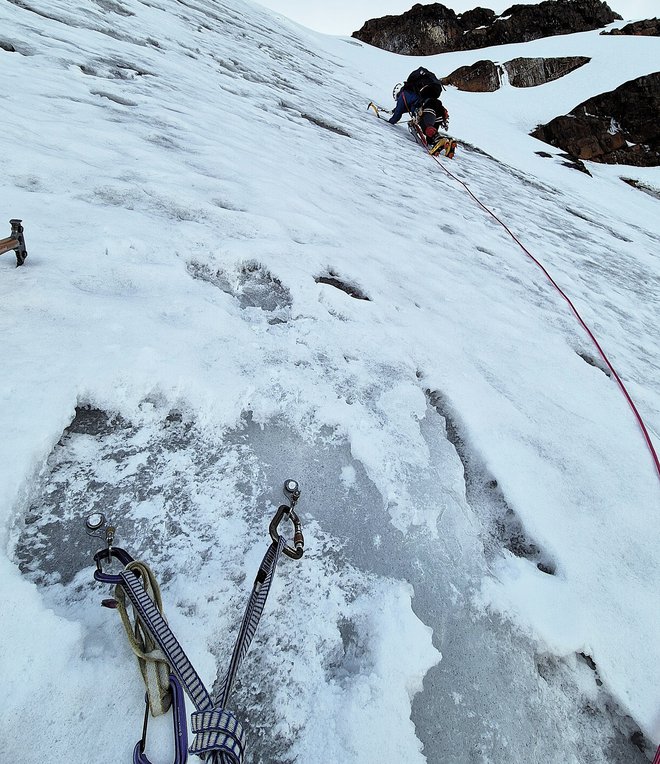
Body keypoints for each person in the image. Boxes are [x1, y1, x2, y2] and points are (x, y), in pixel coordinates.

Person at [389, 67, 450, 151]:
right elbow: (405, 108)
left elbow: (398, 113)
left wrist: (389, 122)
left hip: (426, 107)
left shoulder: (403, 95)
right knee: (430, 135)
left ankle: (438, 140)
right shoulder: (415, 93)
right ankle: (446, 144)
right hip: (437, 108)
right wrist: (393, 110)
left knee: (426, 127)